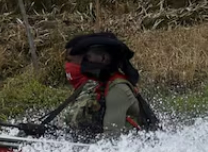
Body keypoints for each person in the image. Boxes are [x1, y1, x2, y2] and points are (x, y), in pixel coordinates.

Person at [15, 32, 159, 141]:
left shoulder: (118, 90)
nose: (83, 63)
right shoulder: (101, 87)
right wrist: (48, 132)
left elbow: (111, 145)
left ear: (103, 59)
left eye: (87, 58)